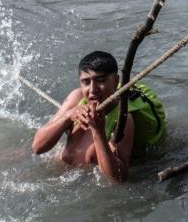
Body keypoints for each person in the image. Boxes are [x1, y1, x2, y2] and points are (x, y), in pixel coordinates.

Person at [31, 51, 166, 183]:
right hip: (57, 177)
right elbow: (37, 147)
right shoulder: (76, 98)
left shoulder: (123, 118)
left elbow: (118, 178)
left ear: (116, 81)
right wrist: (68, 116)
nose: (92, 90)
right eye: (86, 82)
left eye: (100, 80)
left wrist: (98, 131)